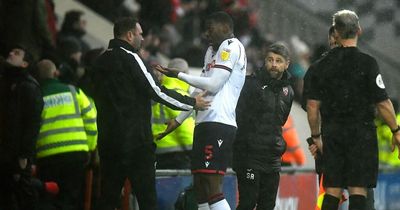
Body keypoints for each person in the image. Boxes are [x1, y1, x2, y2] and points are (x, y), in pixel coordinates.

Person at [91, 17, 210, 210]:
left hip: (108, 141)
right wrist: (191, 102)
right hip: (136, 142)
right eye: (140, 33)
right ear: (129, 35)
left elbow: (92, 91)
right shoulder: (131, 58)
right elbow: (156, 91)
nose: (143, 38)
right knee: (147, 199)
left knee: (107, 198)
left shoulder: (100, 62)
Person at [305, 10, 400, 210]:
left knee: (332, 189)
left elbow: (312, 107)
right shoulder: (367, 63)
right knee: (358, 190)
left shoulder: (319, 67)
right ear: (359, 30)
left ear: (335, 33)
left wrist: (316, 136)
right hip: (361, 134)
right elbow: (382, 103)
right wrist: (396, 130)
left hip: (333, 134)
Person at [155, 11, 247, 210]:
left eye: (210, 29)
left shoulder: (232, 47)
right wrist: (178, 120)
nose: (206, 34)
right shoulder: (211, 51)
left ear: (224, 27)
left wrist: (179, 75)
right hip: (204, 123)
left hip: (219, 124)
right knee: (200, 187)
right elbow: (199, 92)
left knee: (212, 187)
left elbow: (213, 85)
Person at [233, 42, 293, 210]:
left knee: (267, 205)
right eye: (270, 60)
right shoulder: (251, 84)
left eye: (279, 61)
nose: (274, 64)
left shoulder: (288, 91)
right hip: (249, 155)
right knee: (247, 203)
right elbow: (239, 117)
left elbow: (280, 121)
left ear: (286, 64)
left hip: (272, 158)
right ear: (265, 61)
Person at [35, 59, 97, 209]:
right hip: (76, 155)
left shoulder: (36, 95)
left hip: (47, 156)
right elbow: (90, 119)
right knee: (70, 199)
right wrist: (90, 148)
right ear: (56, 73)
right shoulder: (74, 91)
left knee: (48, 199)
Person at [0, 46, 43, 210]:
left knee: (21, 197)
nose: (10, 53)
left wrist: (24, 156)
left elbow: (32, 125)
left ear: (25, 64)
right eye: (11, 51)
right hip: (5, 152)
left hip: (16, 156)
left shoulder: (28, 87)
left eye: (17, 53)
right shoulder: (6, 81)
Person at [152, 58, 195, 169]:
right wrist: (194, 152)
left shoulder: (159, 92)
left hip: (157, 150)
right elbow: (185, 130)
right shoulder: (180, 95)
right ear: (184, 74)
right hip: (177, 154)